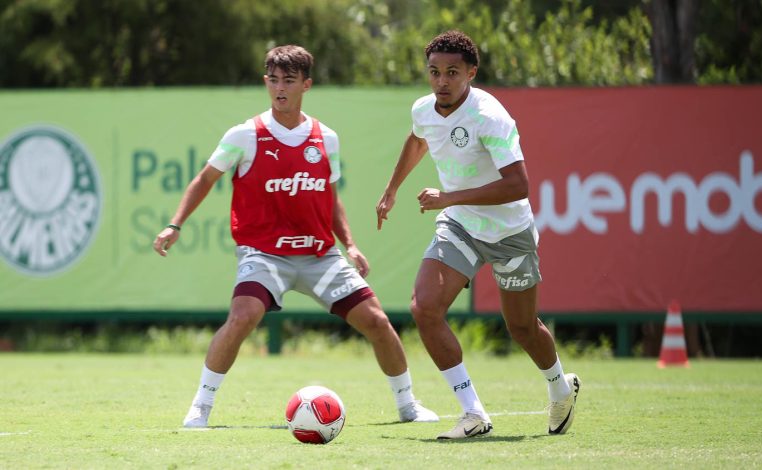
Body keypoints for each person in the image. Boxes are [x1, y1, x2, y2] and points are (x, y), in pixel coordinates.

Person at [154, 44, 438, 428]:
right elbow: (204, 180)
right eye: (273, 80)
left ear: (307, 84)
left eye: (288, 80)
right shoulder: (245, 135)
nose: (279, 88)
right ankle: (200, 408)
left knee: (376, 321)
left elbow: (330, 198)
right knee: (243, 316)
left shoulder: (326, 138)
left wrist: (350, 244)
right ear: (265, 82)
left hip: (320, 256)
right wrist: (175, 223)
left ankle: (408, 406)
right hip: (264, 255)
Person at [376, 30, 580, 439]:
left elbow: (519, 185)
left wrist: (449, 195)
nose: (442, 81)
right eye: (434, 72)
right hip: (460, 225)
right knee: (424, 308)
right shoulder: (424, 109)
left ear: (471, 72)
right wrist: (392, 188)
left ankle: (560, 386)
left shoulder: (490, 116)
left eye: (452, 72)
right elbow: (418, 140)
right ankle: (473, 414)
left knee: (521, 328)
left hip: (509, 231)